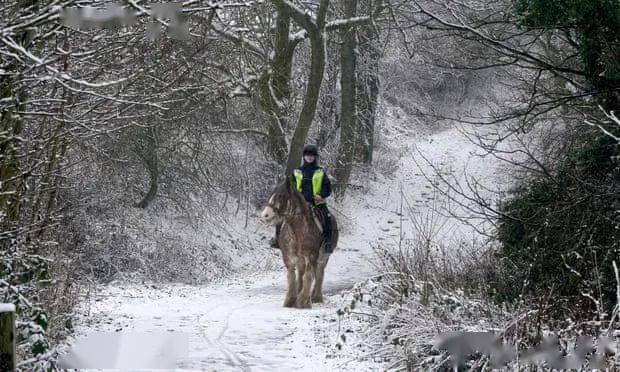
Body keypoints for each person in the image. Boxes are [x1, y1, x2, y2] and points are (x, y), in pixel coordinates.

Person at [270, 144, 334, 253]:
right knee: (281, 215)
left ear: (315, 157)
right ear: (304, 156)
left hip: (316, 202)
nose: (309, 157)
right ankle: (277, 239)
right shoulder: (297, 171)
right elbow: (289, 186)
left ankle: (327, 242)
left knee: (328, 218)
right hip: (298, 203)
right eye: (307, 155)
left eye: (312, 155)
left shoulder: (320, 172)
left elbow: (327, 187)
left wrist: (321, 195)